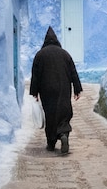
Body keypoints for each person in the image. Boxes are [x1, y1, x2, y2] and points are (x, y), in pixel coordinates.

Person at [30, 26, 82, 154]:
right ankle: (64, 134)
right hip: (63, 88)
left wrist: (34, 92)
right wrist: (77, 89)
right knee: (64, 111)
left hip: (47, 90)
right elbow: (73, 72)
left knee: (50, 114)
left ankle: (51, 143)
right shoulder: (65, 54)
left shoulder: (40, 55)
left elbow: (35, 75)